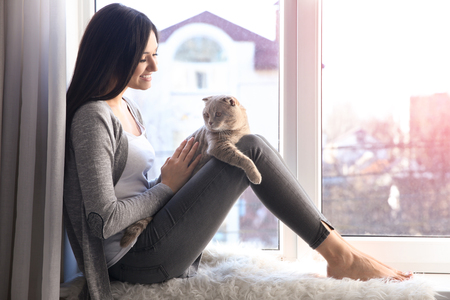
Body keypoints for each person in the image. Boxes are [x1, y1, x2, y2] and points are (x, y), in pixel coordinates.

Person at [63, 3, 412, 299]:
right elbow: (101, 219)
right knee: (249, 147)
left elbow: (134, 190)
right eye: (143, 58)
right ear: (114, 56)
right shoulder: (92, 117)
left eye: (156, 55)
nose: (155, 67)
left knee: (232, 139)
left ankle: (344, 252)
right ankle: (342, 257)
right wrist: (166, 186)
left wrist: (174, 175)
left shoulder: (127, 106)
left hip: (148, 235)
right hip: (133, 259)